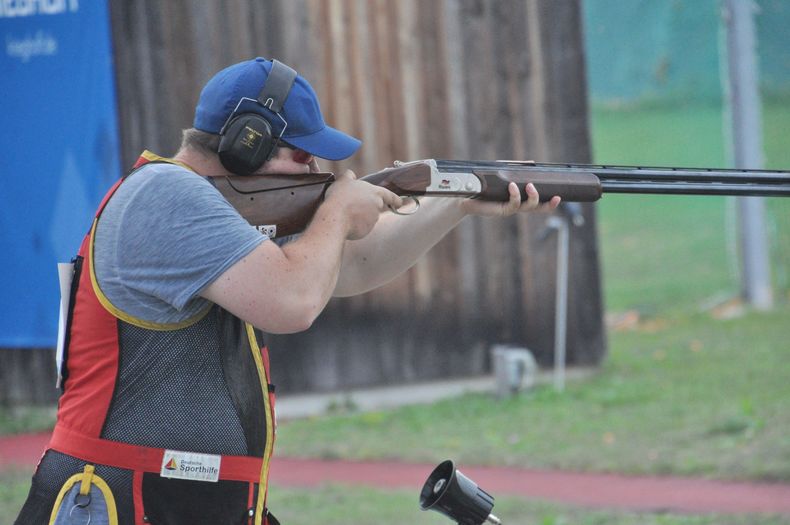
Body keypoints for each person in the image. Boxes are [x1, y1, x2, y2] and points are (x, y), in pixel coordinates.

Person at [15, 57, 559, 525]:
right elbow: (293, 301)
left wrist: (456, 202)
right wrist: (340, 211)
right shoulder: (166, 195)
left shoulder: (208, 208)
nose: (319, 171)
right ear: (245, 145)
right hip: (124, 501)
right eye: (302, 157)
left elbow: (354, 267)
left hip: (178, 502)